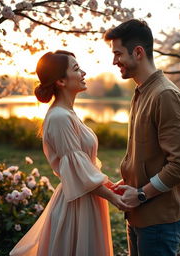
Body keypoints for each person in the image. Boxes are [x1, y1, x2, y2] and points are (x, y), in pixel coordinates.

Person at [10, 50, 130, 256]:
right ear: (61, 81)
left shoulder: (68, 114)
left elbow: (84, 165)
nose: (83, 73)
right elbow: (77, 171)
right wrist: (111, 196)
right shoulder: (59, 117)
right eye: (76, 69)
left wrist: (110, 186)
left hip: (87, 196)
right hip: (77, 205)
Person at [104, 19, 180, 256]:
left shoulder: (165, 95)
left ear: (138, 52)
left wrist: (142, 193)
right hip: (138, 214)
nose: (114, 61)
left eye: (118, 54)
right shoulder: (142, 90)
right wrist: (132, 184)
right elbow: (148, 154)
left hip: (157, 223)